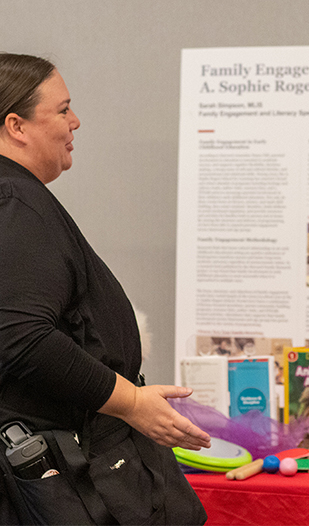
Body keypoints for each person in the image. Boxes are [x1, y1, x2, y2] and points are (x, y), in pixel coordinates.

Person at [0, 53, 210, 524]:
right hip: (67, 471)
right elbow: (20, 337)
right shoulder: (14, 200)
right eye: (62, 109)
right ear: (17, 125)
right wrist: (131, 402)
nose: (76, 121)